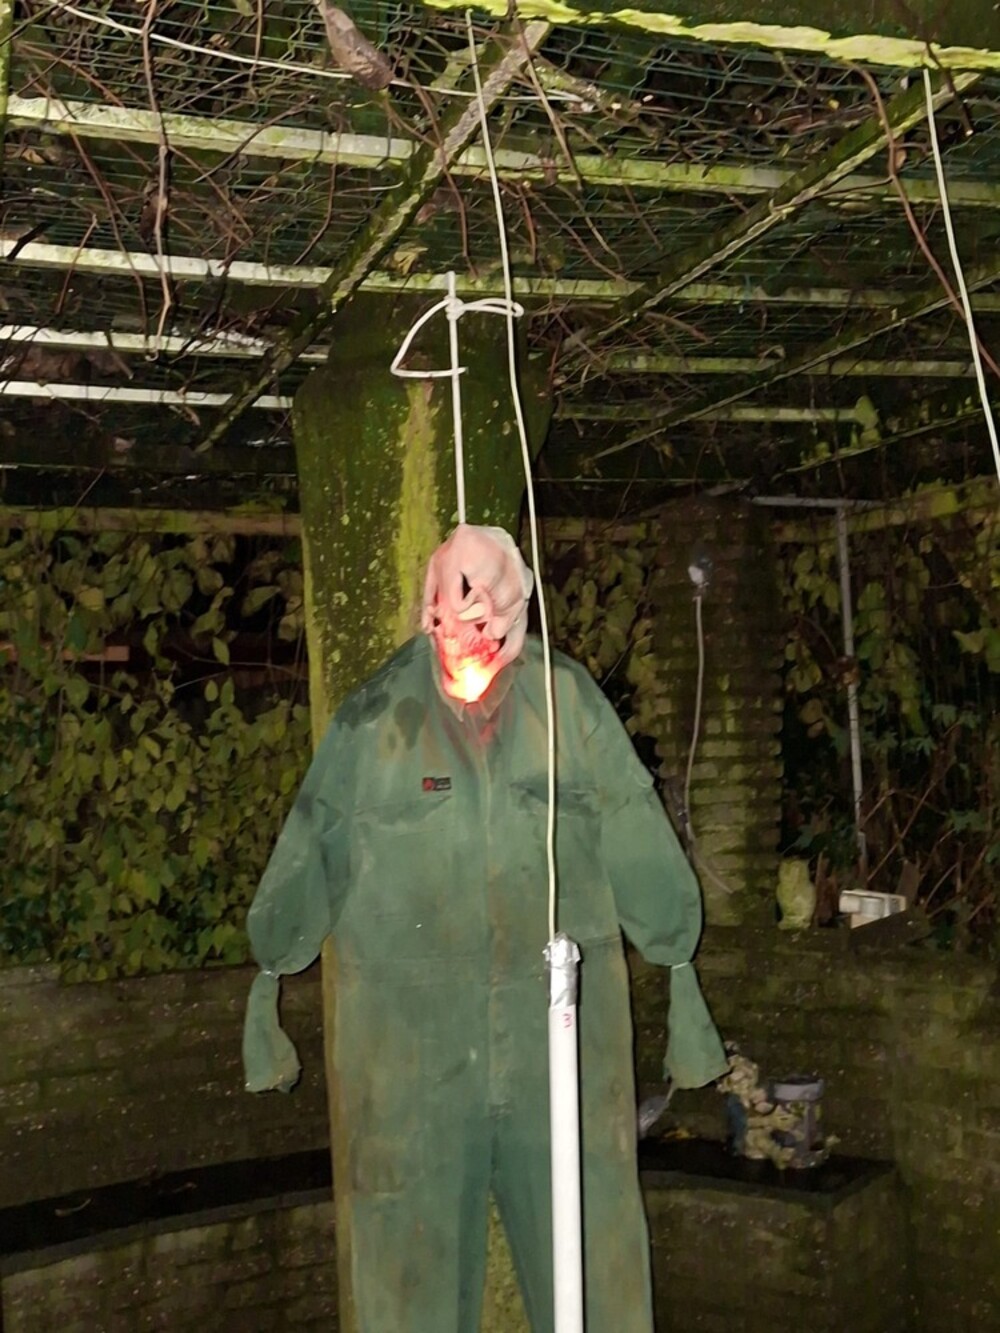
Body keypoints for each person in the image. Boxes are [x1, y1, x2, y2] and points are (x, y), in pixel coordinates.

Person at [243, 524, 726, 1333]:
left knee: (596, 1273)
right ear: (425, 611)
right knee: (409, 1288)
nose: (466, 637)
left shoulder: (567, 707)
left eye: (484, 617)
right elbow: (314, 840)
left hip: (562, 1053)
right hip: (413, 1067)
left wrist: (673, 946)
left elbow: (632, 821)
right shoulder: (376, 721)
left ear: (516, 608)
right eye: (447, 615)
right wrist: (273, 959)